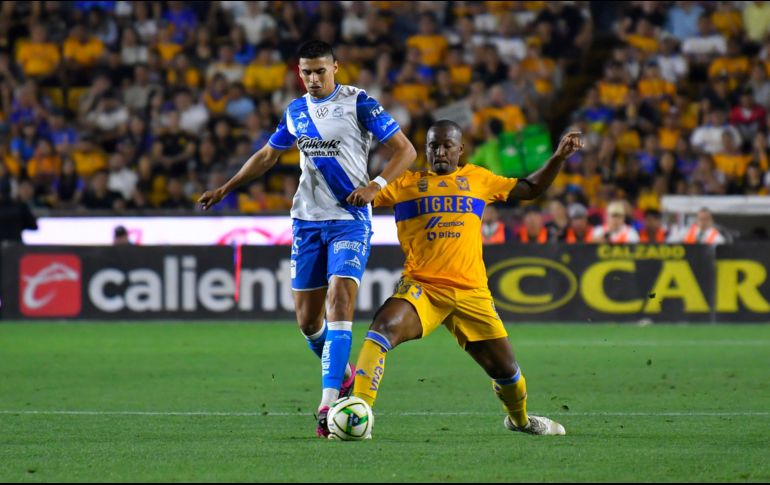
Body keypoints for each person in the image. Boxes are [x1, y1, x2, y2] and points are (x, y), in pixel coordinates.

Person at [197, 41, 416, 437]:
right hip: (306, 222)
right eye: (306, 73)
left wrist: (375, 185)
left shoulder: (360, 103)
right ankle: (344, 376)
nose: (313, 79)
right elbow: (267, 155)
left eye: (320, 71)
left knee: (340, 298)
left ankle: (327, 403)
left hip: (350, 219)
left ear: (336, 67)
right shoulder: (296, 111)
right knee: (307, 321)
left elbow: (406, 150)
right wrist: (226, 188)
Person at [350, 120, 582, 437]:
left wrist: (558, 157)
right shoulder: (403, 183)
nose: (440, 152)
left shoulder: (478, 179)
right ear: (425, 149)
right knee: (382, 328)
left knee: (506, 371)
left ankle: (521, 421)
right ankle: (356, 411)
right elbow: (358, 196)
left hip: (472, 293)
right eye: (433, 146)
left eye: (447, 145)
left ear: (461, 149)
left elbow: (530, 189)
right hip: (424, 288)